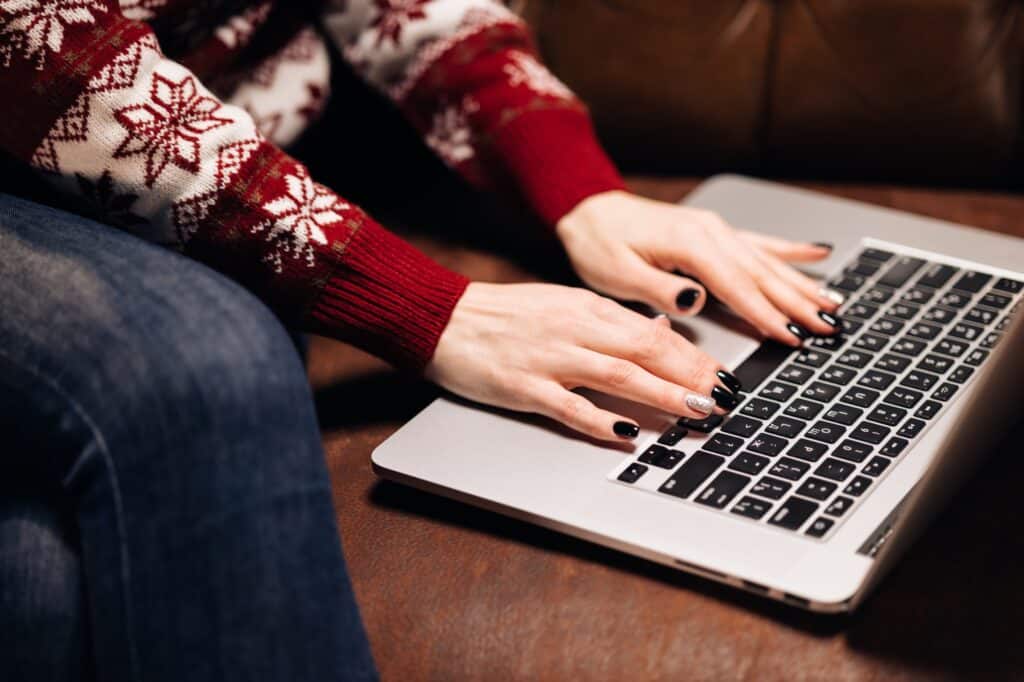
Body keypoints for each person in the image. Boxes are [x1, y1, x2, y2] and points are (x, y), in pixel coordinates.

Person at [0, 1, 842, 680]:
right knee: (205, 364)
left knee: (38, 589)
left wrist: (582, 193)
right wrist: (432, 309)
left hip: (201, 170)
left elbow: (412, 11)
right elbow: (33, 42)